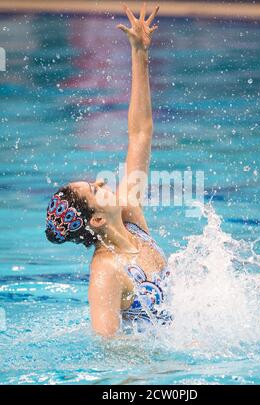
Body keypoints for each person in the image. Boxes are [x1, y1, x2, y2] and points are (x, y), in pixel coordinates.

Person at [45, 3, 171, 338]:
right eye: (95, 189)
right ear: (98, 219)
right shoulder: (105, 273)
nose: (102, 180)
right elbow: (109, 351)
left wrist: (139, 53)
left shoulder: (130, 217)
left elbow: (140, 133)